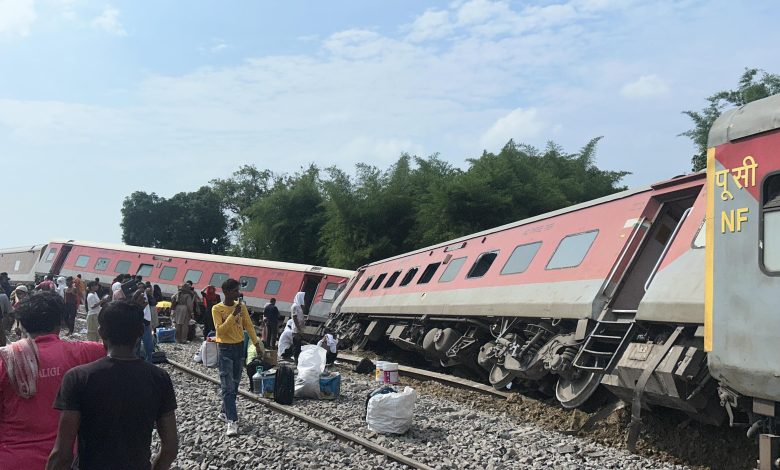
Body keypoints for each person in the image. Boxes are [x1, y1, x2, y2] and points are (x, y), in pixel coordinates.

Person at [46, 301, 178, 470]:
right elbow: (170, 448)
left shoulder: (79, 377)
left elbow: (62, 454)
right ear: (140, 332)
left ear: (101, 332)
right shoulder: (159, 378)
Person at [0, 292, 105, 468]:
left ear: (24, 324)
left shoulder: (6, 358)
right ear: (59, 323)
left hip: (11, 458)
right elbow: (118, 350)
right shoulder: (83, 352)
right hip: (64, 460)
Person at [212, 278, 263, 436]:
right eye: (235, 290)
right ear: (226, 292)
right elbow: (220, 331)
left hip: (239, 348)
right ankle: (232, 422)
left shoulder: (241, 307)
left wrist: (257, 343)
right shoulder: (217, 309)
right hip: (225, 348)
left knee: (233, 386)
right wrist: (233, 315)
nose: (238, 293)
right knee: (227, 387)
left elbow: (248, 325)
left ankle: (224, 411)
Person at [132, 282, 154, 361]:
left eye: (142, 288)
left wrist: (150, 294)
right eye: (139, 288)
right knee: (137, 344)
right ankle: (136, 360)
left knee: (148, 345)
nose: (141, 290)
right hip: (138, 322)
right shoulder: (134, 297)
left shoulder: (147, 296)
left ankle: (149, 361)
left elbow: (153, 302)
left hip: (146, 322)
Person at [290, 291, 306, 361]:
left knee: (299, 345)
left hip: (299, 329)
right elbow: (294, 317)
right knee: (296, 345)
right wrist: (298, 328)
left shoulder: (298, 306)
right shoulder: (295, 306)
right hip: (296, 330)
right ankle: (296, 359)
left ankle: (297, 359)